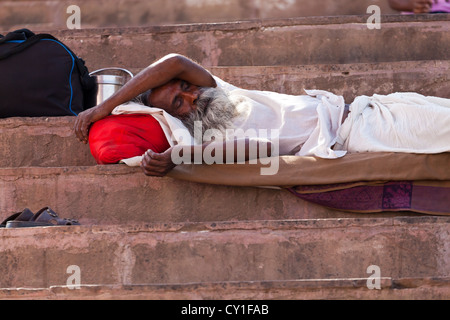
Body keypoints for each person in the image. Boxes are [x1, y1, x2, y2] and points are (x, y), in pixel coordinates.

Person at [74, 53, 450, 177]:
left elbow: (173, 61)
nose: (192, 94)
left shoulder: (217, 91)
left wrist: (102, 107)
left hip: (374, 106)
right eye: (178, 103)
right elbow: (254, 147)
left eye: (185, 87)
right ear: (177, 120)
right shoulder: (207, 138)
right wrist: (177, 156)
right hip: (360, 133)